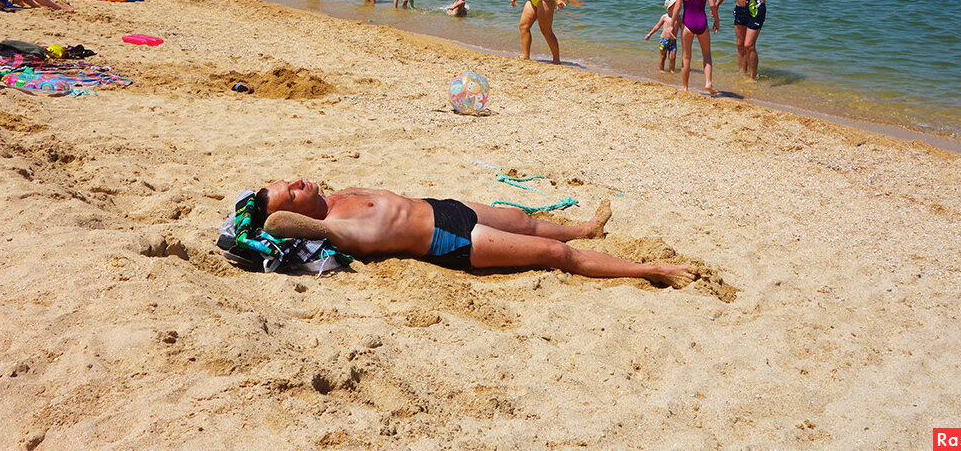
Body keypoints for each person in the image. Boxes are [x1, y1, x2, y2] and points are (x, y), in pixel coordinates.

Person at [256, 179, 694, 286]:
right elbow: (275, 223)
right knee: (550, 253)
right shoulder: (332, 227)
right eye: (290, 192)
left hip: (445, 209)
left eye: (290, 181)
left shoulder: (339, 196)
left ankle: (584, 229)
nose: (298, 183)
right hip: (448, 242)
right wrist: (268, 212)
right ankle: (648, 270)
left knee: (524, 220)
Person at [675, 0, 718, 94]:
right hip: (702, 23)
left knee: (686, 56)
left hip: (688, 24)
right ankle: (708, 83)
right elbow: (712, 5)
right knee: (706, 54)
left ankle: (685, 87)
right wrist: (717, 20)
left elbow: (677, 8)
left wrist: (672, 26)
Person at [645, 0, 680, 73]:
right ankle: (661, 70)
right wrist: (649, 34)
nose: (677, 7)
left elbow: (683, 28)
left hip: (673, 41)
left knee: (673, 57)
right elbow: (657, 26)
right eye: (674, 6)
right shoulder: (665, 17)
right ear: (668, 8)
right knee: (663, 56)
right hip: (664, 40)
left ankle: (672, 70)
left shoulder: (678, 18)